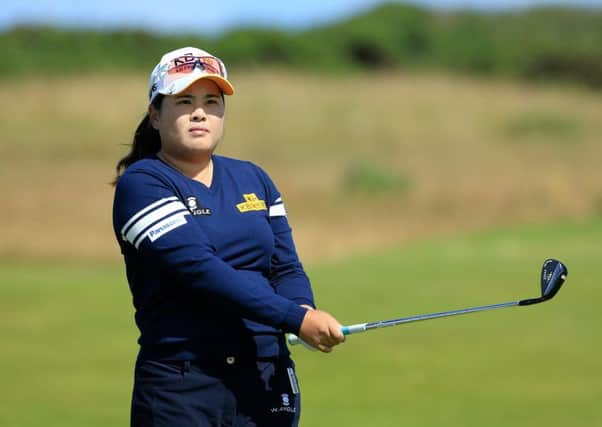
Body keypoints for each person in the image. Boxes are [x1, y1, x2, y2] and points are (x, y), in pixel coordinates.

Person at [111, 46, 345, 426]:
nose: (200, 112)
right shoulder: (142, 184)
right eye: (184, 101)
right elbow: (200, 269)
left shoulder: (253, 178)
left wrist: (302, 306)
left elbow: (284, 266)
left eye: (211, 101)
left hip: (265, 377)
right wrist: (293, 318)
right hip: (183, 385)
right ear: (155, 115)